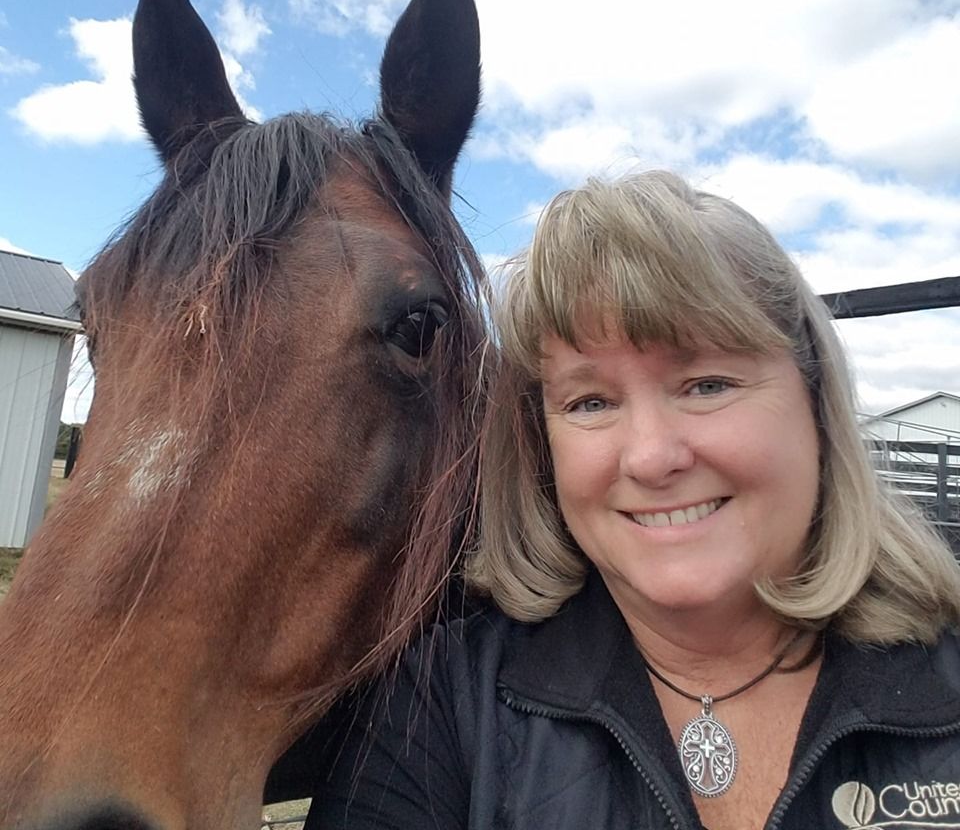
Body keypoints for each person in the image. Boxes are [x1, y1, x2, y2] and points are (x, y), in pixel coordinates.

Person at [307, 171, 960, 830]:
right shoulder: (440, 708)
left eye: (707, 384)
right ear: (543, 445)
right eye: (590, 402)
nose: (650, 457)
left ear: (815, 403)